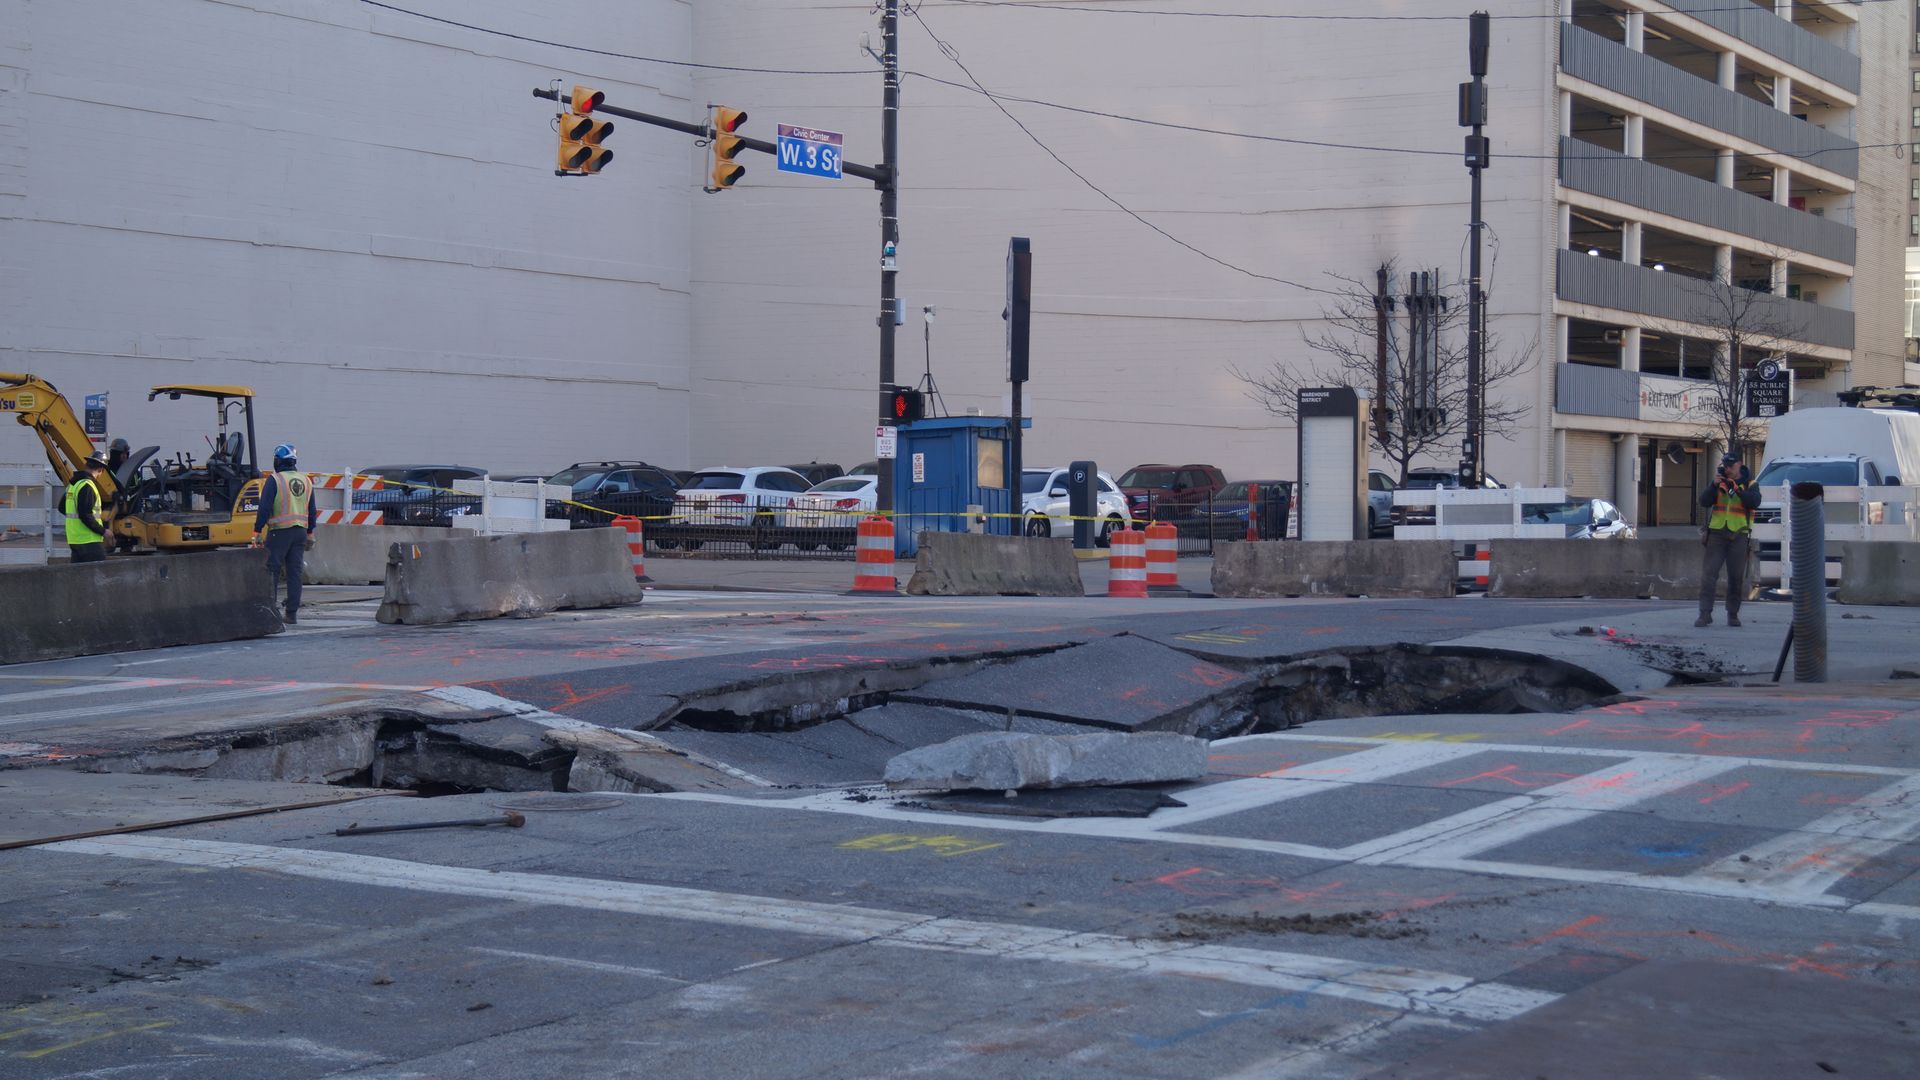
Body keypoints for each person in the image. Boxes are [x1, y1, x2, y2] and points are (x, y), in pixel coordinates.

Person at [254, 443, 317, 623]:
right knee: (295, 572)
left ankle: (270, 612)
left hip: (279, 532)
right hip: (300, 533)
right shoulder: (306, 480)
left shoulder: (275, 480)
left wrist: (257, 530)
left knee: (271, 570)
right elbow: (312, 510)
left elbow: (264, 507)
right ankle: (291, 613)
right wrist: (310, 532)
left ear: (278, 461)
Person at [1696, 452, 1760, 628]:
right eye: (1726, 465)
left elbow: (1754, 502)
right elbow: (1704, 501)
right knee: (1709, 575)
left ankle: (1733, 614)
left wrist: (1737, 488)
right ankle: (1704, 613)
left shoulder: (1750, 484)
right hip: (1716, 533)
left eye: (1731, 465)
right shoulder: (1719, 482)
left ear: (1740, 464)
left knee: (1735, 577)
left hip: (1738, 534)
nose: (1728, 469)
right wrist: (1713, 486)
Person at [63, 451, 113, 564]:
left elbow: (62, 508)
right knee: (100, 577)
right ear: (101, 470)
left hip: (75, 540)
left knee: (79, 579)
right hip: (89, 541)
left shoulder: (73, 485)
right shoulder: (88, 486)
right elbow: (85, 515)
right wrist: (104, 531)